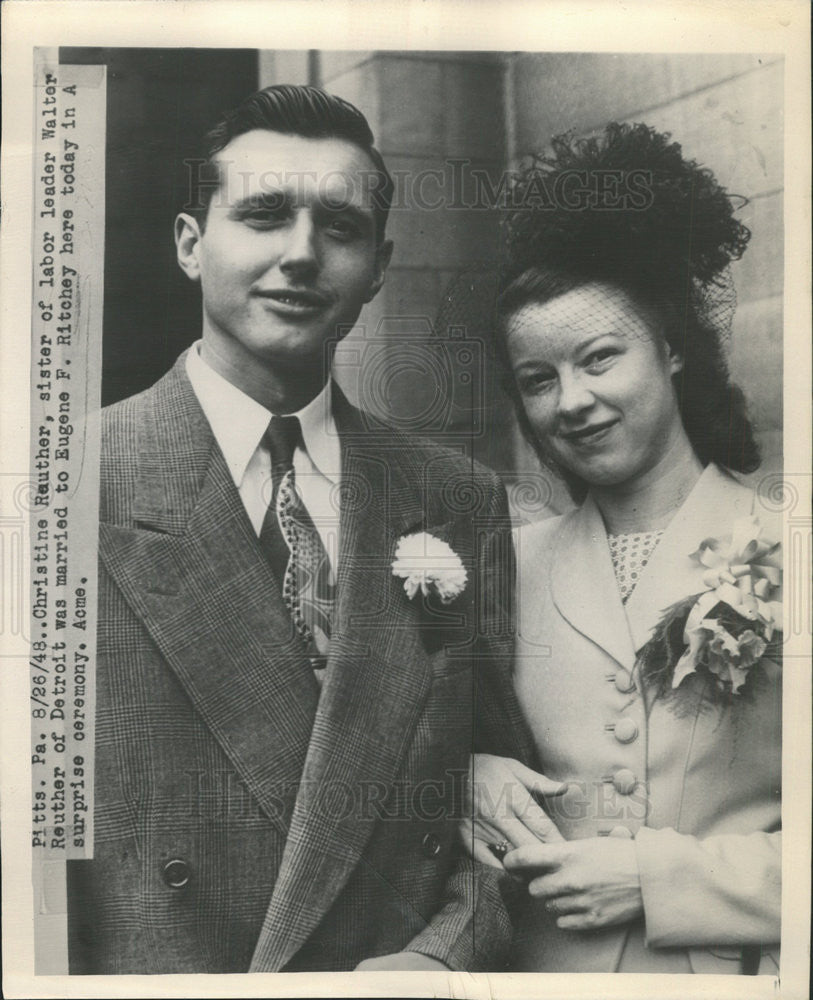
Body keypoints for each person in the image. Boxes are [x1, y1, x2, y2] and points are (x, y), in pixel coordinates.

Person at [66, 84, 535, 974]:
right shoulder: (64, 484)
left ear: (380, 266)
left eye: (340, 227)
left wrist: (438, 958)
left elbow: (493, 803)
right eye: (265, 214)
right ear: (189, 245)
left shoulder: (457, 499)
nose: (302, 253)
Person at [461, 122, 782, 975]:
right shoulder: (506, 565)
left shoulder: (790, 548)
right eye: (538, 379)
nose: (573, 400)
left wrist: (659, 880)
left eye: (600, 357)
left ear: (671, 349)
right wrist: (465, 772)